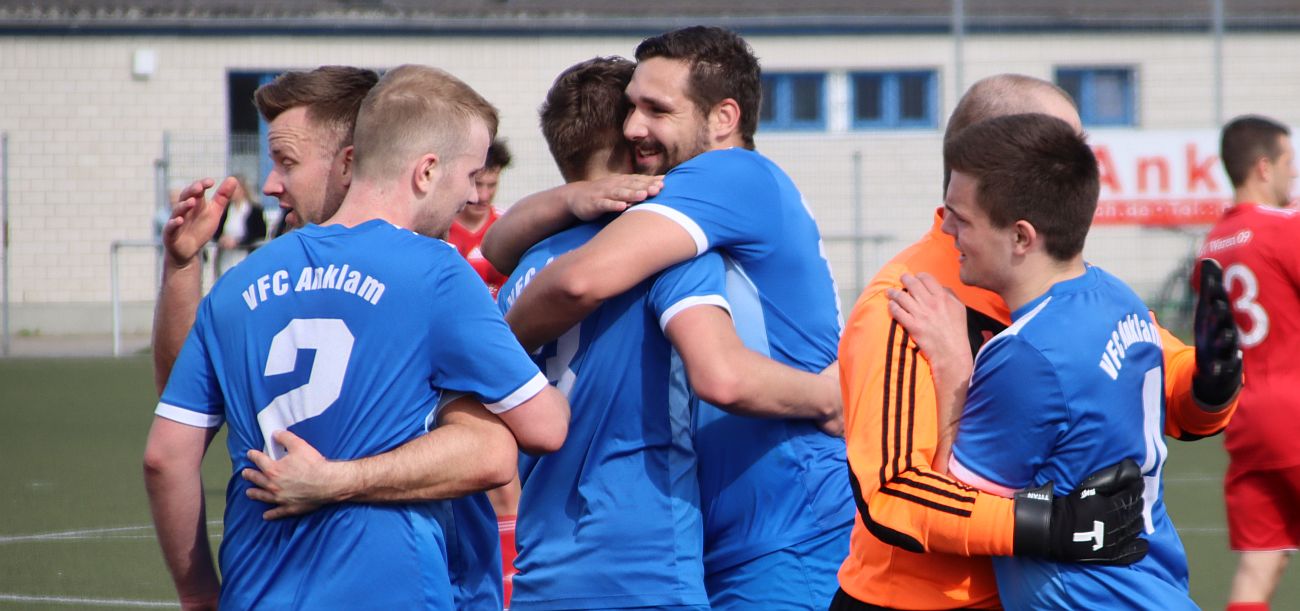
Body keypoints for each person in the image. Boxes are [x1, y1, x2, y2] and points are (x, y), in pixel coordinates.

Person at [143, 65, 570, 610]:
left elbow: (167, 454)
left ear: (354, 159)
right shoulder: (433, 273)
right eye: (469, 177)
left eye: (286, 162)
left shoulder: (239, 283)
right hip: (396, 588)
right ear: (425, 170)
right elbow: (528, 434)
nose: (273, 183)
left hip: (255, 590)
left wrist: (200, 596)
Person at [832, 74, 1242, 611]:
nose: (1071, 170)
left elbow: (1163, 386)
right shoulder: (906, 302)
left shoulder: (1072, 286)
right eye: (1053, 149)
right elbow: (893, 493)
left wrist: (1212, 385)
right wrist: (1050, 523)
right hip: (923, 601)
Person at [482, 26, 850, 608]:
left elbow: (577, 280)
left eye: (656, 109)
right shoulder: (682, 204)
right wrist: (568, 199)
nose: (634, 127)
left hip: (787, 529)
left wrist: (492, 353)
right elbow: (502, 246)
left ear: (724, 117)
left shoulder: (728, 175)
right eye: (630, 107)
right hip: (717, 539)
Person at [886, 112, 1194, 608]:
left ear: (1021, 238)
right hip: (1154, 587)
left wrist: (953, 367)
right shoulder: (1120, 299)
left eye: (962, 220)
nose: (949, 234)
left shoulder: (1028, 355)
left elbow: (958, 507)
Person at [152, 65, 379, 394]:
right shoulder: (270, 276)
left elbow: (476, 434)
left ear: (348, 164)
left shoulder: (429, 274)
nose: (270, 185)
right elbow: (184, 392)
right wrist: (182, 265)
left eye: (287, 162)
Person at [1197, 115, 1299, 611]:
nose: (1293, 174)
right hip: (1296, 412)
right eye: (1288, 163)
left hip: (1246, 422)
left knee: (1263, 560)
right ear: (1263, 167)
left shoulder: (1210, 248)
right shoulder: (1285, 229)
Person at [448, 139, 512, 297]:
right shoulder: (438, 227)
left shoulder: (508, 226)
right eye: (478, 184)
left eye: (492, 185)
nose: (484, 196)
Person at [212, 174, 268, 274]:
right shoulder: (226, 210)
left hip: (244, 255)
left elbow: (260, 234)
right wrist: (222, 239)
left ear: (243, 189)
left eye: (235, 189)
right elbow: (215, 231)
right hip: (226, 257)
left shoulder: (254, 210)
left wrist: (238, 242)